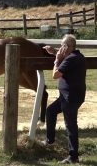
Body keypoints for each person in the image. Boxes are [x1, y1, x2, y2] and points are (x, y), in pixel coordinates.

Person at [42, 34, 86, 164]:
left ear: (70, 47)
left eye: (64, 45)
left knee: (70, 126)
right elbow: (66, 58)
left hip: (70, 98)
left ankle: (73, 157)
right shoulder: (77, 56)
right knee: (50, 111)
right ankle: (50, 141)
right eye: (61, 45)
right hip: (68, 97)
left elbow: (56, 75)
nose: (62, 47)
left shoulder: (70, 59)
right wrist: (55, 52)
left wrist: (56, 59)